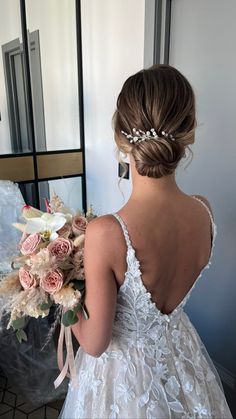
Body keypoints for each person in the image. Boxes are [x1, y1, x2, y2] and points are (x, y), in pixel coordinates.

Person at [60, 65, 232, 418]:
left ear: (121, 139)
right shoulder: (204, 211)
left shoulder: (107, 232)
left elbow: (94, 343)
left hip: (122, 382)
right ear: (189, 135)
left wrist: (61, 296)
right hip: (183, 364)